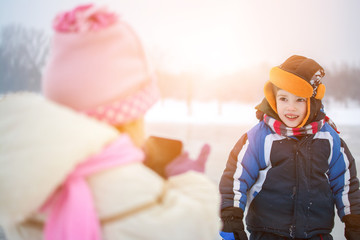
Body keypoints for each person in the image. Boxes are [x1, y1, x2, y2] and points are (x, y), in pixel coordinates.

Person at [0, 4, 221, 240]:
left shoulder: (23, 182)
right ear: (130, 120)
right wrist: (190, 180)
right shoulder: (145, 200)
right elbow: (198, 225)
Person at [218, 55, 360, 240]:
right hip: (268, 233)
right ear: (273, 98)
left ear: (312, 101)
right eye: (284, 99)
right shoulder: (259, 138)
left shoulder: (329, 139)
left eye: (299, 100)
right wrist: (231, 219)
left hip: (317, 235)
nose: (290, 107)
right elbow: (235, 179)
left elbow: (346, 184)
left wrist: (354, 222)